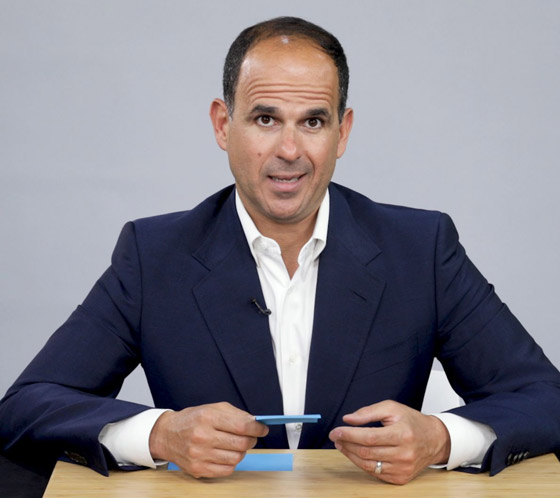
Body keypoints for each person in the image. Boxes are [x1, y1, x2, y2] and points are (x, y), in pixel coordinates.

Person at [1, 16, 559, 487]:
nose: (289, 150)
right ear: (224, 125)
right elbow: (26, 405)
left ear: (342, 132)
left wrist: (440, 437)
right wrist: (160, 434)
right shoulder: (154, 256)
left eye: (312, 121)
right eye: (265, 119)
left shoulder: (421, 248)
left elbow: (544, 396)